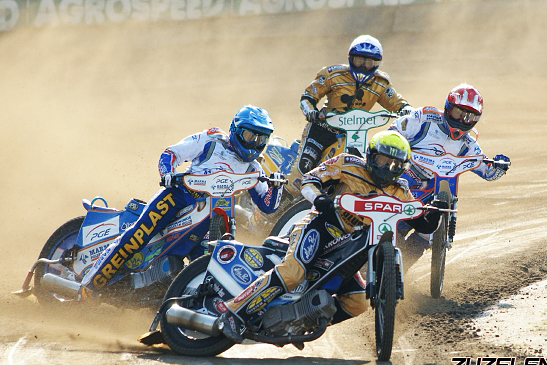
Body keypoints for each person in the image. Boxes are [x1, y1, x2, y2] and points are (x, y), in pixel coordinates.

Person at [216, 131, 442, 343]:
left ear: (403, 167)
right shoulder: (348, 163)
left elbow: (420, 221)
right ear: (371, 156)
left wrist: (434, 215)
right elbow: (309, 179)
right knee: (293, 273)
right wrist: (320, 200)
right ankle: (233, 312)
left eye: (394, 165)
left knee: (358, 302)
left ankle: (300, 322)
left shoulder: (401, 190)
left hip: (349, 246)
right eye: (383, 160)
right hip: (320, 226)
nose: (387, 169)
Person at [80, 105, 284, 298]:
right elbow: (172, 153)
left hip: (211, 218)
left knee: (207, 266)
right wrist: (167, 174)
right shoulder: (212, 139)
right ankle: (89, 286)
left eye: (261, 139)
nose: (254, 144)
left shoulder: (253, 169)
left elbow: (268, 206)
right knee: (137, 236)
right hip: (177, 197)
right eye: (250, 136)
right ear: (235, 130)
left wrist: (277, 185)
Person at [388, 84, 511, 266]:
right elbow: (394, 130)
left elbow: (487, 171)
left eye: (469, 117)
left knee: (429, 229)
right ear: (447, 108)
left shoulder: (468, 144)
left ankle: (401, 269)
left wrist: (499, 166)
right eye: (458, 113)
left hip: (432, 193)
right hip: (402, 179)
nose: (462, 121)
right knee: (391, 223)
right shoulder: (424, 118)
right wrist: (395, 145)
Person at [285, 34, 414, 195]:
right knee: (302, 170)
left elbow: (398, 102)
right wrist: (311, 111)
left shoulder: (381, 83)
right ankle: (281, 201)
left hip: (354, 135)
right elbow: (308, 96)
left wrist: (407, 110)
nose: (363, 66)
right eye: (359, 60)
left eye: (369, 62)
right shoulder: (332, 74)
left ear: (377, 64)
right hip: (321, 130)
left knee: (364, 169)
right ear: (350, 58)